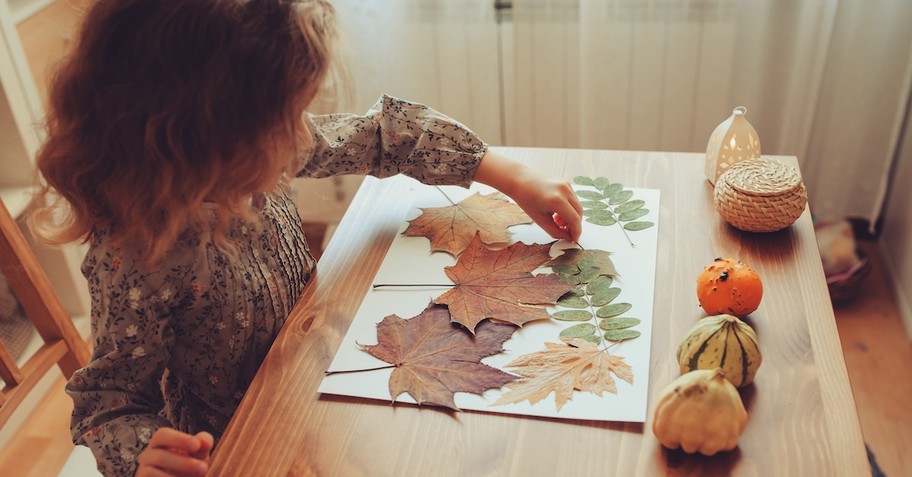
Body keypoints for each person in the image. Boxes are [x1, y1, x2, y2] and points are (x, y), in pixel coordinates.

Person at [28, 1, 582, 476]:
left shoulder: (251, 151)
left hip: (321, 363)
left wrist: (513, 176)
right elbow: (107, 406)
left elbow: (383, 135)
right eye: (285, 118)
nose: (302, 135)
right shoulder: (134, 254)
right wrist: (141, 451)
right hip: (243, 440)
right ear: (201, 134)